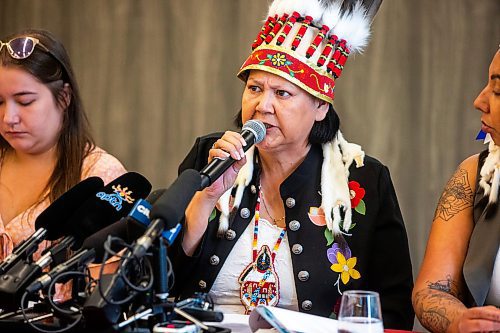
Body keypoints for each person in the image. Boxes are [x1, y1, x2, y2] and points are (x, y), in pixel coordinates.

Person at [171, 1, 414, 330]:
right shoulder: (211, 156)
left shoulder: (365, 179)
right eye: (254, 88)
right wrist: (208, 196)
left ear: (320, 107)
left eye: (282, 93)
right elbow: (166, 277)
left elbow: (393, 310)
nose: (263, 106)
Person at [0, 29, 126, 265]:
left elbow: (109, 282)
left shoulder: (100, 173)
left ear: (64, 97)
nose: (9, 117)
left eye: (25, 101)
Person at [412, 48, 500, 333]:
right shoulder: (474, 174)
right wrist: (459, 320)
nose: (479, 101)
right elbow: (430, 290)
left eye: (497, 90)